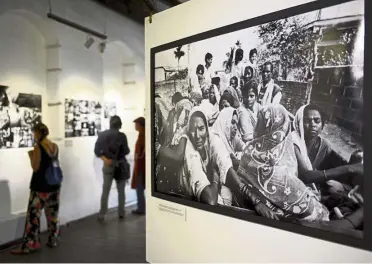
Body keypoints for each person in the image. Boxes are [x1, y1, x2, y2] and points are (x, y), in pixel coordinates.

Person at [238, 104, 330, 222]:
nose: (257, 126)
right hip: (274, 212)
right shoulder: (286, 154)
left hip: (269, 205)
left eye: (260, 121)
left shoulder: (252, 151)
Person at [11, 123, 61, 254]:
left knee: (33, 216)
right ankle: (53, 239)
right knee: (53, 215)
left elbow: (35, 167)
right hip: (54, 186)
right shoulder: (54, 146)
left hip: (40, 187)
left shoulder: (38, 147)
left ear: (38, 133)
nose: (33, 135)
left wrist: (31, 155)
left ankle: (31, 244)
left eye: (34, 133)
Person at [94, 115, 130, 221]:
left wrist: (105, 159)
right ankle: (121, 212)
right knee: (121, 191)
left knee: (106, 190)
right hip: (120, 164)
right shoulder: (122, 136)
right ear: (120, 124)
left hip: (108, 164)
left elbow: (97, 151)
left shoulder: (103, 135)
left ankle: (102, 213)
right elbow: (126, 151)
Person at [132, 117, 146, 215]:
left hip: (141, 167)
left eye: (136, 124)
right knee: (140, 188)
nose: (135, 126)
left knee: (139, 188)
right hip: (141, 166)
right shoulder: (142, 134)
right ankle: (141, 207)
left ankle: (141, 208)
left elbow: (143, 151)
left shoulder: (142, 135)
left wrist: (139, 156)